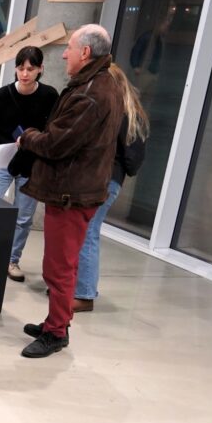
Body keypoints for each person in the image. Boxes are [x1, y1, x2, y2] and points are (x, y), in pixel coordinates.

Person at [17, 24, 124, 358]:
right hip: (75, 190)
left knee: (59, 268)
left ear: (86, 53)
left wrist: (27, 137)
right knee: (62, 264)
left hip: (71, 194)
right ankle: (57, 321)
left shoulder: (92, 93)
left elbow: (57, 143)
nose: (64, 54)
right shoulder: (98, 84)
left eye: (70, 48)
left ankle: (55, 333)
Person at [74, 63, 148, 312]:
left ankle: (84, 293)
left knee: (87, 233)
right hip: (103, 180)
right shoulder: (127, 112)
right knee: (83, 232)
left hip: (104, 181)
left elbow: (132, 159)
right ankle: (77, 288)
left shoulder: (120, 113)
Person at [0, 45, 59, 282]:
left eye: (30, 68)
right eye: (20, 68)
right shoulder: (1, 96)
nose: (25, 73)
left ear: (40, 69)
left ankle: (11, 259)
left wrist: (34, 140)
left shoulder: (49, 96)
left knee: (24, 216)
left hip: (31, 161)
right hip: (3, 158)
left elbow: (54, 128)